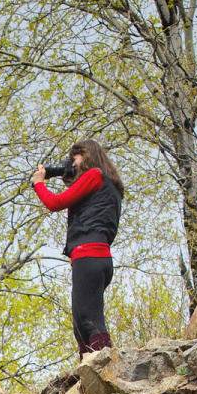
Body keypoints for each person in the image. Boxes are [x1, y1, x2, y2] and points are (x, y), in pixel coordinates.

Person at [31, 139, 125, 359]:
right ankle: (88, 371)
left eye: (74, 159)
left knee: (88, 320)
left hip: (88, 255)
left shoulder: (94, 174)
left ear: (87, 155)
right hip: (99, 258)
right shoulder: (110, 184)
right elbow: (87, 206)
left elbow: (55, 203)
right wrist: (70, 181)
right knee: (81, 322)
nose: (72, 164)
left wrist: (39, 183)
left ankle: (102, 368)